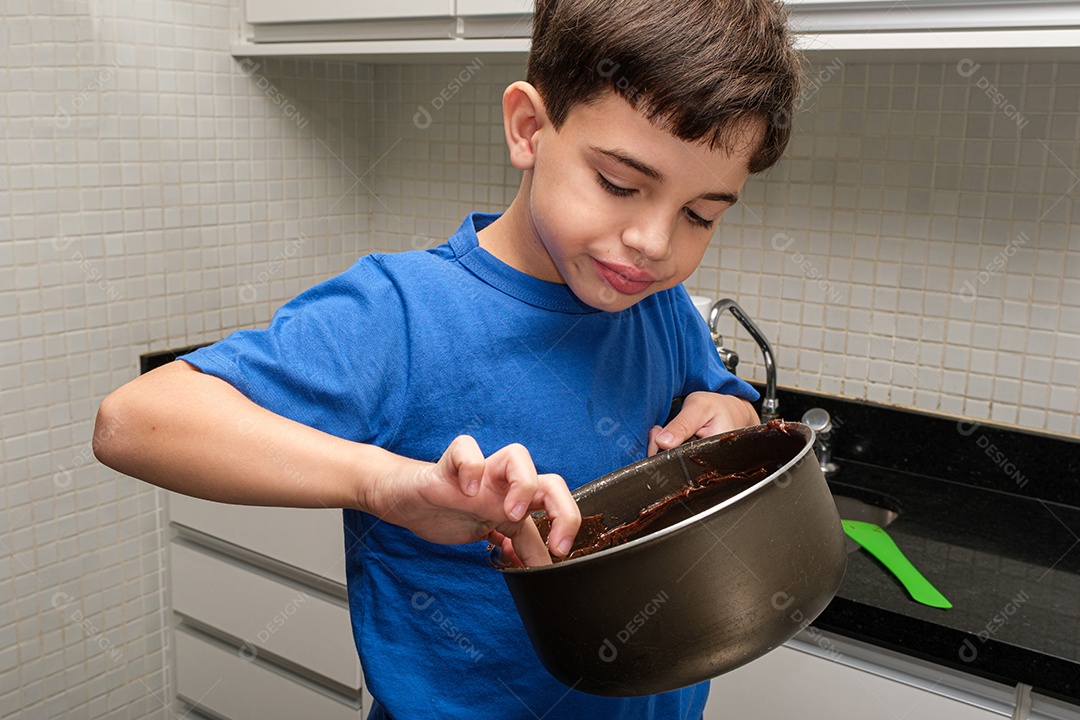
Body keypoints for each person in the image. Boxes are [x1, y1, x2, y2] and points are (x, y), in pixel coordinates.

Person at [94, 0, 801, 716]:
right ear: (529, 127)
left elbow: (719, 397)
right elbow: (133, 422)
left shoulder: (657, 305)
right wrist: (387, 485)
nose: (654, 243)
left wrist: (728, 408)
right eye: (620, 185)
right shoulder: (401, 314)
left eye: (700, 215)